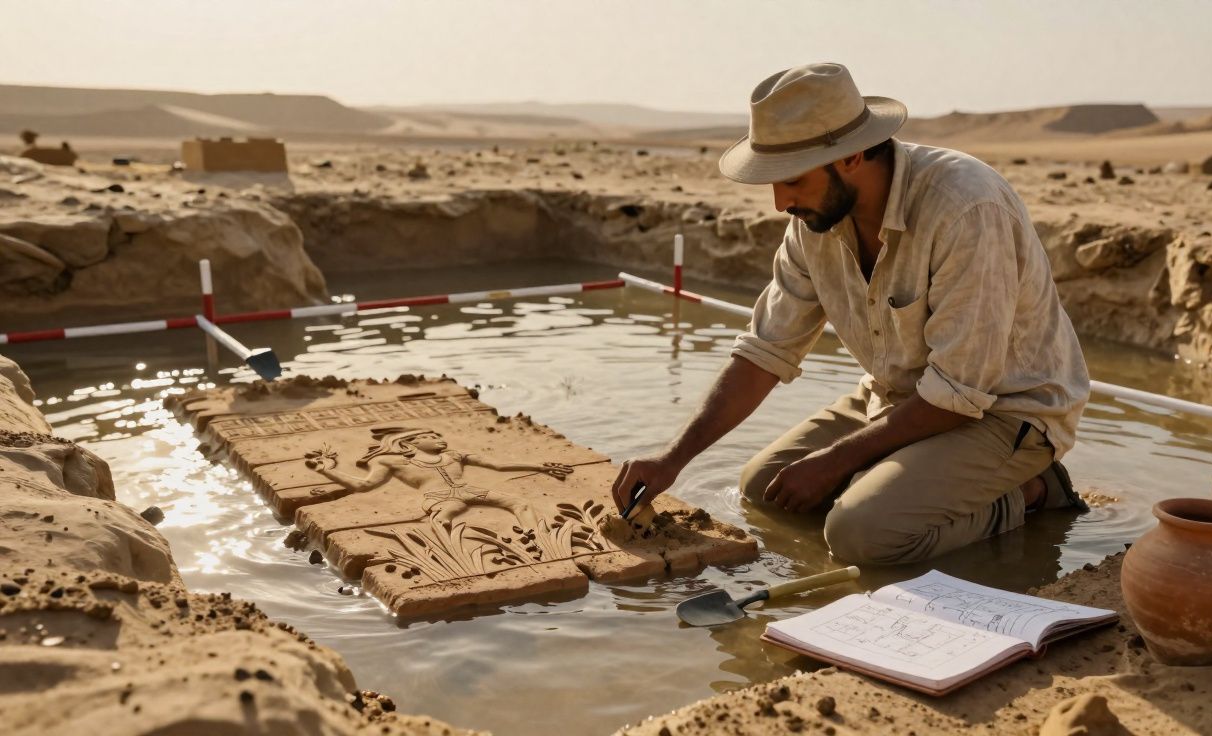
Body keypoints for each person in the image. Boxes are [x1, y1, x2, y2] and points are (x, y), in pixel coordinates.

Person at [610, 63, 1090, 566]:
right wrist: (673, 458)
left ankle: (1033, 492)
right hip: (899, 398)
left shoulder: (966, 208)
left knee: (862, 535)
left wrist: (837, 460)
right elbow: (764, 352)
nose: (780, 203)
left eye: (792, 180)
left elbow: (958, 391)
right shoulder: (813, 221)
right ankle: (893, 476)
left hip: (1002, 411)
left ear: (852, 156)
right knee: (763, 489)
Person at [305, 427, 572, 529]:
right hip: (439, 497)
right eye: (432, 437)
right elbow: (364, 486)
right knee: (444, 518)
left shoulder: (455, 455)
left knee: (519, 503)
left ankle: (536, 539)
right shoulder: (390, 461)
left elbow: (498, 466)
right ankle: (445, 548)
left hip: (469, 490)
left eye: (440, 436)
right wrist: (326, 470)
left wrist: (541, 466)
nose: (440, 439)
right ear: (411, 442)